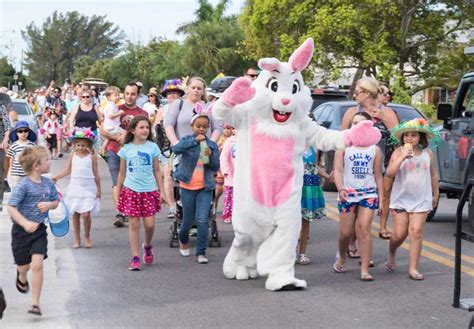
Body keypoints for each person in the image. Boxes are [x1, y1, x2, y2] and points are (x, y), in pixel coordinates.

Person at [341, 77, 399, 248]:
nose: (354, 96)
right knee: (354, 212)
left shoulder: (387, 112)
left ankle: (363, 250)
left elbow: (399, 139)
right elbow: (342, 140)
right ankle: (351, 241)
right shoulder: (351, 113)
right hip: (354, 169)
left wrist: (384, 118)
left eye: (357, 92)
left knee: (366, 215)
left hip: (377, 170)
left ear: (366, 93)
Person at [385, 118, 440, 281]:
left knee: (416, 232)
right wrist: (402, 157)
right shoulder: (398, 151)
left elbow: (433, 175)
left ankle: (413, 268)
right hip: (401, 199)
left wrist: (435, 194)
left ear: (420, 137)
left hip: (421, 199)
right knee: (399, 234)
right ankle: (392, 251)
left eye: (413, 135)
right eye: (406, 135)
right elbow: (389, 173)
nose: (409, 138)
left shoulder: (427, 154)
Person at [7, 146, 59, 316]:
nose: (50, 162)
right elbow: (11, 207)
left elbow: (55, 201)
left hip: (39, 231)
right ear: (37, 165)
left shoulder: (48, 183)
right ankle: (21, 275)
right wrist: (24, 222)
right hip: (20, 231)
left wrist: (50, 205)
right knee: (24, 266)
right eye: (47, 160)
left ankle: (35, 304)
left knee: (37, 265)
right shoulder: (23, 185)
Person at [333, 113, 384, 281]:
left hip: (368, 194)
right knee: (345, 233)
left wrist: (381, 200)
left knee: (364, 229)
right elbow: (338, 170)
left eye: (362, 123)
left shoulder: (374, 150)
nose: (358, 127)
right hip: (348, 194)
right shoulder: (344, 147)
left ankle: (364, 269)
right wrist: (341, 189)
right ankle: (341, 255)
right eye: (355, 123)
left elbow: (378, 176)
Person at [116, 116, 169, 270]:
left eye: (147, 127)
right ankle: (135, 256)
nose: (145, 130)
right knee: (133, 224)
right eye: (141, 127)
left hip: (149, 190)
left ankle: (147, 245)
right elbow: (121, 173)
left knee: (150, 225)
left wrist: (162, 192)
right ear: (133, 130)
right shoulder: (126, 149)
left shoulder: (152, 147)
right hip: (131, 190)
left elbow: (157, 171)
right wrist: (119, 192)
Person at [172, 112, 219, 263]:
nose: (201, 129)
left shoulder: (211, 145)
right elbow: (176, 149)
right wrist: (194, 141)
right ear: (192, 126)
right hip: (187, 186)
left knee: (203, 220)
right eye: (198, 126)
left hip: (205, 187)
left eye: (205, 127)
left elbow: (215, 166)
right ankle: (183, 240)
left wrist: (211, 155)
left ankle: (201, 252)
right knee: (187, 221)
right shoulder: (187, 140)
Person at [99, 83, 148, 227]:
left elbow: (144, 134)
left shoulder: (142, 113)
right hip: (114, 149)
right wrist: (114, 137)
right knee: (117, 180)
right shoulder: (115, 109)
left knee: (131, 181)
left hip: (133, 151)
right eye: (127, 93)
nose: (129, 97)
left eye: (133, 94)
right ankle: (120, 212)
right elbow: (102, 130)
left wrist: (127, 136)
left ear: (137, 95)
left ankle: (132, 209)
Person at [53, 128, 101, 249]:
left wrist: (98, 190)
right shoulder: (72, 155)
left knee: (86, 214)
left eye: (83, 145)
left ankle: (87, 235)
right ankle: (77, 239)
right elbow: (68, 170)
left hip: (88, 187)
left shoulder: (92, 157)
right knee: (75, 214)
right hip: (75, 187)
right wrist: (56, 177)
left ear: (88, 145)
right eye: (78, 145)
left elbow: (96, 174)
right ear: (74, 145)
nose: (80, 147)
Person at [297, 145, 330, 265]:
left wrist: (328, 176)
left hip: (310, 188)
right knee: (291, 222)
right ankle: (288, 253)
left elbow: (314, 167)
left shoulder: (313, 148)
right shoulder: (293, 145)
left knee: (306, 221)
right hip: (296, 187)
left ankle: (302, 253)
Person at [158, 79, 185, 218]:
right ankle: (171, 206)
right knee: (168, 176)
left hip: (183, 147)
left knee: (182, 176)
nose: (172, 96)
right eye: (169, 94)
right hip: (167, 148)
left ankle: (182, 203)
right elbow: (155, 128)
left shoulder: (184, 108)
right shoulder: (163, 110)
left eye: (175, 94)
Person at [7, 121, 37, 187]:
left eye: (25, 131)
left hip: (28, 174)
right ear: (16, 133)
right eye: (20, 131)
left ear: (28, 132)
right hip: (16, 174)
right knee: (17, 193)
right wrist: (10, 172)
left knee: (28, 193)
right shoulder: (13, 146)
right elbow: (11, 160)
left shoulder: (32, 145)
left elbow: (35, 159)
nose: (23, 133)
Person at [214, 124, 234, 212]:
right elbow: (216, 151)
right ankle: (214, 204)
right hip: (221, 167)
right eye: (225, 129)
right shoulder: (221, 139)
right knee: (219, 188)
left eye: (229, 129)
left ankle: (230, 207)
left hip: (232, 167)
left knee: (230, 189)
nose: (226, 131)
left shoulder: (234, 139)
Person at [219, 128, 236, 223]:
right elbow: (224, 156)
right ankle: (228, 214)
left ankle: (239, 215)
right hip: (231, 173)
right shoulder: (230, 141)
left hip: (243, 175)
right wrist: (225, 170)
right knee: (230, 196)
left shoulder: (247, 140)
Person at [100, 86, 123, 155]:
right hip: (113, 127)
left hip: (108, 126)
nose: (117, 97)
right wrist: (119, 113)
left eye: (118, 95)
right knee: (123, 134)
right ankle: (121, 149)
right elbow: (111, 116)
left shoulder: (109, 105)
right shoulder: (111, 106)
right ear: (109, 97)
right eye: (115, 95)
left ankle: (102, 150)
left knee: (107, 139)